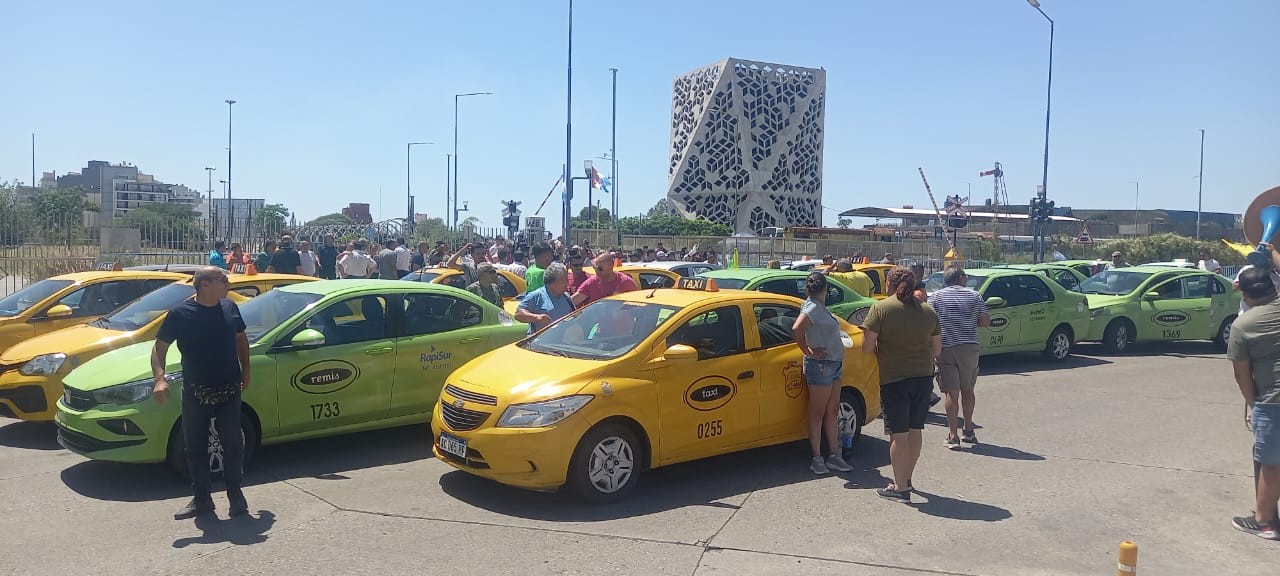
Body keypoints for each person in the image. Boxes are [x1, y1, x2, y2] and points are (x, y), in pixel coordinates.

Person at [151, 267, 250, 520]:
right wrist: (159, 379)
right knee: (195, 446)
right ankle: (202, 499)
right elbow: (159, 348)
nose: (228, 282)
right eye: (222, 279)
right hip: (197, 391)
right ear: (204, 284)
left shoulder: (229, 308)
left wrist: (246, 368)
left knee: (232, 444)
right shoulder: (180, 314)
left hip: (229, 388)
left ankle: (235, 496)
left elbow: (241, 339)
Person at [861, 266, 941, 503]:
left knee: (898, 434)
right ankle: (906, 478)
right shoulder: (928, 311)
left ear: (890, 284)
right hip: (924, 378)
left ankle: (900, 488)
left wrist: (883, 351)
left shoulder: (881, 309)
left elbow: (866, 347)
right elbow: (937, 349)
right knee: (915, 430)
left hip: (894, 379)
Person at [1226, 266, 1280, 540]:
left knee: (1270, 461)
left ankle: (1264, 522)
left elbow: (1241, 373)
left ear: (1245, 297)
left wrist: (1252, 402)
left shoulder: (1243, 325)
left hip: (1273, 401)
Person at [792, 271, 855, 475]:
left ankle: (834, 455)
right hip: (821, 366)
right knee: (817, 412)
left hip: (833, 363)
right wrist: (808, 350)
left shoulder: (819, 307)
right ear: (825, 289)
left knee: (832, 410)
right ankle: (817, 458)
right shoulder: (811, 307)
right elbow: (797, 328)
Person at [928, 266, 991, 449]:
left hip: (945, 346)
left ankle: (953, 435)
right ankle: (968, 430)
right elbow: (985, 321)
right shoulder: (974, 296)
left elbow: (930, 320)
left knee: (951, 392)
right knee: (968, 389)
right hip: (968, 346)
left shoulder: (936, 297)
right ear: (961, 277)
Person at [516, 262, 574, 334]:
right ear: (556, 281)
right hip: (540, 343)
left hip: (562, 342)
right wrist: (536, 317)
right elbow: (519, 314)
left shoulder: (566, 297)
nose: (567, 283)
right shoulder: (537, 295)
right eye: (565, 279)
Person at [573, 252, 638, 307]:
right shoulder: (591, 282)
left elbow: (636, 306)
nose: (596, 271)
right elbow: (574, 300)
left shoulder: (626, 282)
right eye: (594, 267)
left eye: (599, 268)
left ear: (610, 266)